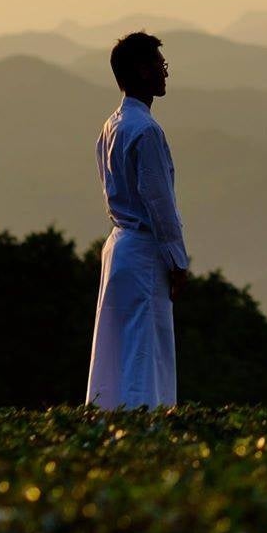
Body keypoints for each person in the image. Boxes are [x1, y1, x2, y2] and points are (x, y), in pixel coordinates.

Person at [85, 31, 191, 409]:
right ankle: (144, 419)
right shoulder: (146, 131)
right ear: (142, 71)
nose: (164, 73)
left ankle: (110, 414)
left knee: (117, 346)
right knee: (144, 348)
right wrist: (178, 260)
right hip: (145, 249)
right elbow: (160, 204)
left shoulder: (112, 125)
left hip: (120, 247)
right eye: (159, 65)